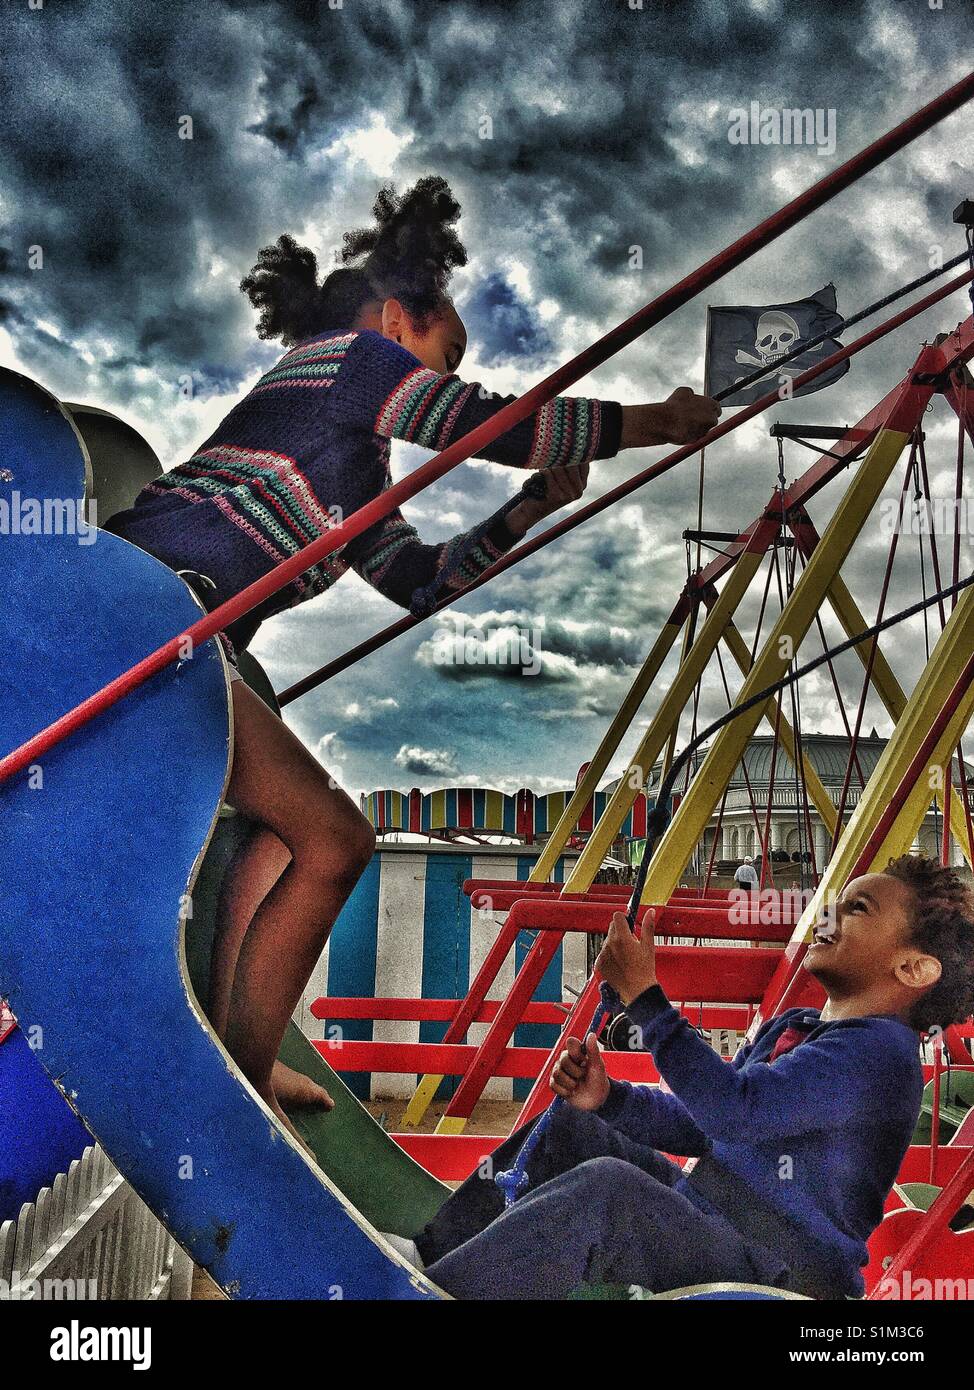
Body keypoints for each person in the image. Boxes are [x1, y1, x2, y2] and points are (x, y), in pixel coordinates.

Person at [106, 176, 720, 1146]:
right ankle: (230, 1092)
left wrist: (527, 511)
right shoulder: (342, 359)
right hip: (137, 616)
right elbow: (493, 427)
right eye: (445, 354)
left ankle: (233, 1054)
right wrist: (654, 420)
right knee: (337, 841)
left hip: (178, 641)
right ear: (395, 318)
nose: (440, 378)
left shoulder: (354, 479)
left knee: (276, 839)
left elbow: (423, 581)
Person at [401, 854, 974, 1299]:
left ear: (914, 968)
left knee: (609, 1191)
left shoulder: (881, 1054)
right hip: (717, 1221)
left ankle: (436, 1297)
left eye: (859, 910)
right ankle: (428, 1260)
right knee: (582, 1129)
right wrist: (608, 1098)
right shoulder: (797, 1028)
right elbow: (712, 1125)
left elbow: (734, 1109)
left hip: (781, 1274)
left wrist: (647, 1002)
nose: (829, 915)